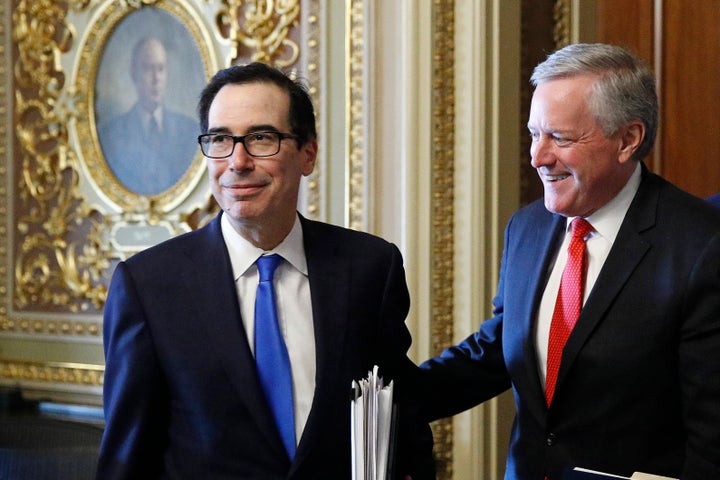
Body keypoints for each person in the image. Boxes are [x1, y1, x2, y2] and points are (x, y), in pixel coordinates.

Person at [96, 62, 435, 479]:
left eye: (261, 138)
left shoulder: (370, 269)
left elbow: (403, 427)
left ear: (307, 153)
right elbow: (126, 460)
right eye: (220, 139)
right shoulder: (148, 286)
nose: (237, 161)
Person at [417, 43, 720, 480]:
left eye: (559, 137)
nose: (538, 157)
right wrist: (386, 396)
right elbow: (501, 348)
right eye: (534, 134)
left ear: (628, 139)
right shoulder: (528, 227)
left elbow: (711, 437)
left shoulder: (701, 246)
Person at [97, 36, 198, 195]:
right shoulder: (111, 133)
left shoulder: (190, 131)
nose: (155, 79)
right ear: (134, 74)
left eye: (160, 69)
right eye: (147, 68)